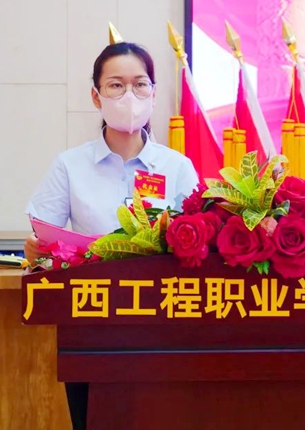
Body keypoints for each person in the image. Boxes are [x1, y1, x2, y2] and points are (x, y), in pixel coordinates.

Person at [24, 41, 199, 430]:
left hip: (160, 321)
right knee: (93, 418)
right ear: (96, 95)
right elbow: (42, 242)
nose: (129, 95)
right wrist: (36, 250)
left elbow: (198, 244)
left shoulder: (177, 167)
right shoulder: (70, 165)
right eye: (116, 85)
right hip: (90, 321)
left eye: (140, 84)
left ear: (154, 93)